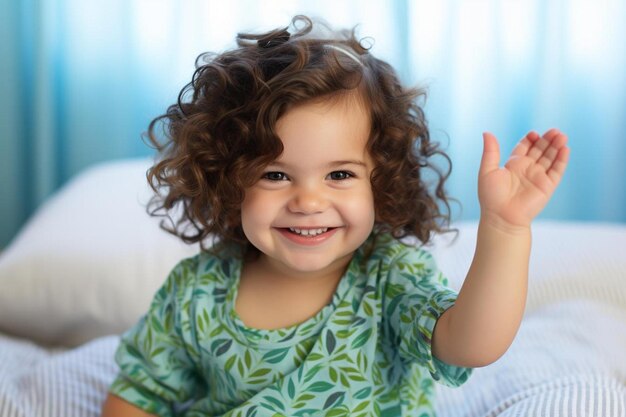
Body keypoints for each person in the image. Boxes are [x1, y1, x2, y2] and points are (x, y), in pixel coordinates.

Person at [101, 15, 570, 417]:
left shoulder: (388, 277)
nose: (308, 201)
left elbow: (471, 344)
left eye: (340, 174)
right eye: (276, 176)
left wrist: (505, 229)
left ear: (380, 182)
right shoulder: (197, 292)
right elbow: (139, 391)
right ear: (228, 181)